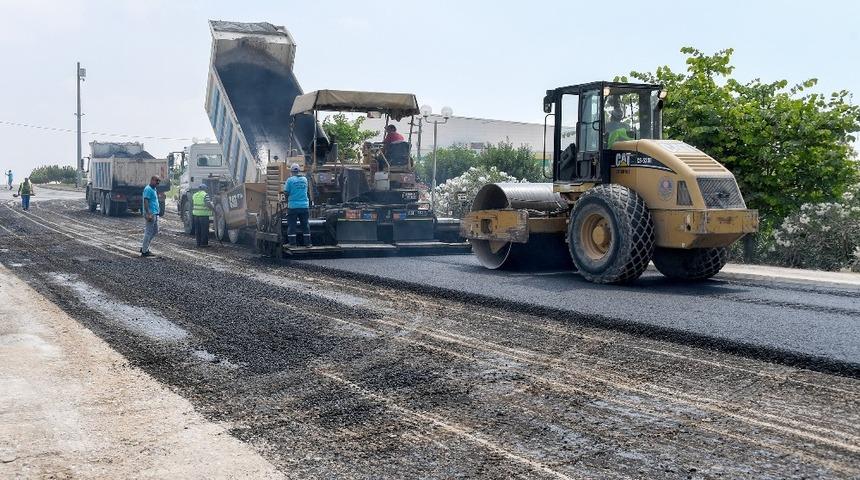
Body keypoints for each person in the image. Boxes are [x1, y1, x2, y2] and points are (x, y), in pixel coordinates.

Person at [283, 163, 311, 247]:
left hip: (293, 206)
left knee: (292, 226)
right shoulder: (305, 180)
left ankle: (292, 244)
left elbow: (286, 192)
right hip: (304, 206)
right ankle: (308, 243)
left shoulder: (290, 180)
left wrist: (286, 200)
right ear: (299, 171)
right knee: (305, 225)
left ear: (291, 171)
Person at [140, 175, 161, 257]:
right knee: (148, 232)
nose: (158, 183)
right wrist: (148, 213)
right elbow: (146, 201)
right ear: (152, 180)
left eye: (159, 181)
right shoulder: (148, 189)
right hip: (150, 214)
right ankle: (144, 251)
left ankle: (144, 247)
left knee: (155, 230)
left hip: (154, 213)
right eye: (156, 181)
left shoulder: (154, 189)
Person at [191, 183, 214, 247]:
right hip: (203, 215)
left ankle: (198, 243)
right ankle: (204, 244)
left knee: (197, 230)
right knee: (204, 230)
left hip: (195, 215)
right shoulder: (205, 195)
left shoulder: (194, 195)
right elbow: (208, 204)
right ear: (205, 189)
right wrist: (213, 208)